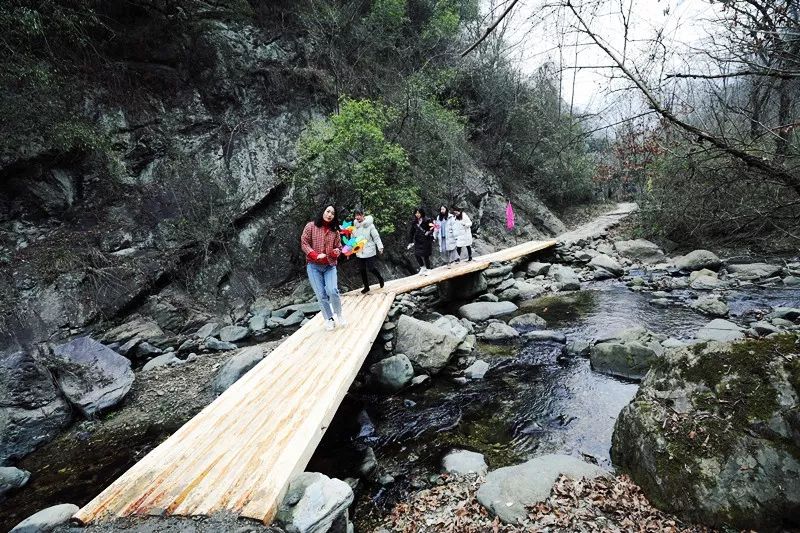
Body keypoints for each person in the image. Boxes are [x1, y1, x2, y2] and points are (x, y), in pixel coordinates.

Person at [300, 205, 347, 331]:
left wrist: (336, 252)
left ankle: (339, 314)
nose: (329, 214)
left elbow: (339, 247)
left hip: (329, 266)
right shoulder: (310, 226)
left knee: (332, 290)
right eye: (328, 211)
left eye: (332, 213)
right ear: (323, 212)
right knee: (321, 294)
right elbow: (304, 243)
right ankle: (329, 319)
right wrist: (315, 255)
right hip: (313, 267)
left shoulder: (335, 231)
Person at [353, 209, 385, 293]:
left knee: (371, 268)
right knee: (362, 269)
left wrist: (380, 247)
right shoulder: (355, 227)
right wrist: (350, 250)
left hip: (369, 250)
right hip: (359, 251)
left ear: (363, 215)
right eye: (356, 215)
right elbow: (352, 239)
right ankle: (366, 287)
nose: (357, 217)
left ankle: (380, 278)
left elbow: (376, 237)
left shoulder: (370, 225)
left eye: (359, 215)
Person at [406, 208, 434, 275]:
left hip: (426, 240)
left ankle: (428, 269)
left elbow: (433, 227)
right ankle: (422, 267)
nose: (417, 214)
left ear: (421, 213)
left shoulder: (427, 220)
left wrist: (429, 232)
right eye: (416, 213)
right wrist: (410, 241)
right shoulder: (414, 222)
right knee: (416, 254)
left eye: (418, 213)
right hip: (418, 240)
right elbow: (411, 232)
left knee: (425, 255)